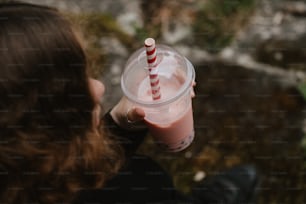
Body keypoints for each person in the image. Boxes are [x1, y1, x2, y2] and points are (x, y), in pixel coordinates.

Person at [0, 2, 258, 204]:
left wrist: (119, 126)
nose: (99, 87)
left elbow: (82, 158)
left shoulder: (32, 174)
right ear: (32, 133)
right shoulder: (127, 193)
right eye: (74, 87)